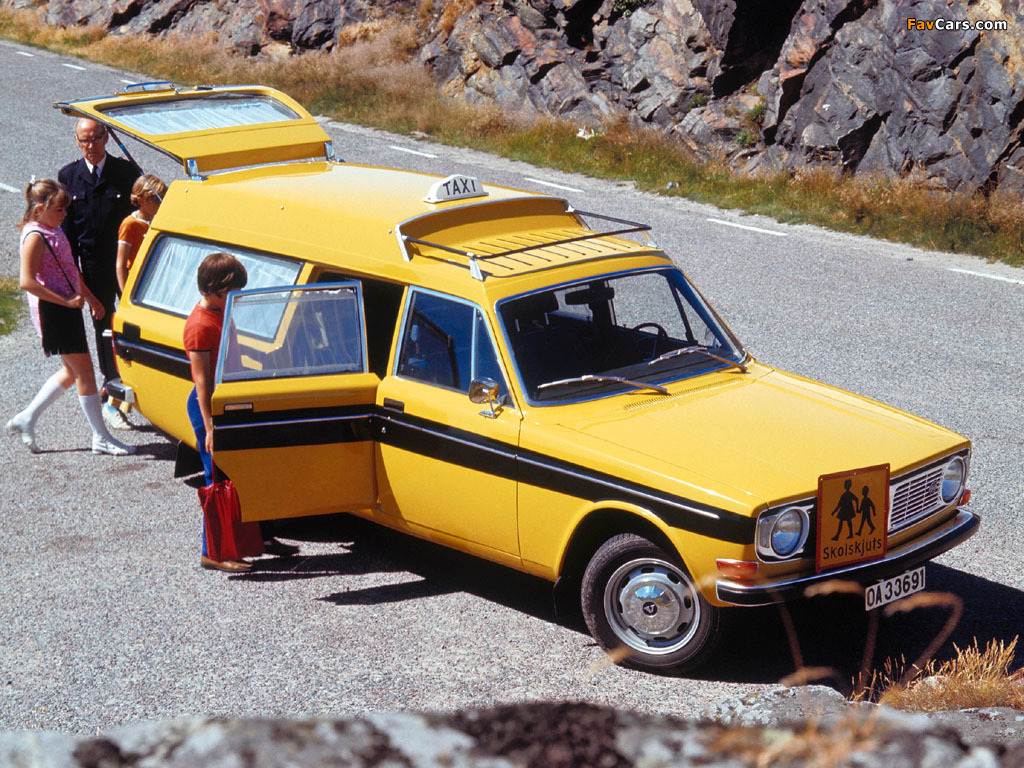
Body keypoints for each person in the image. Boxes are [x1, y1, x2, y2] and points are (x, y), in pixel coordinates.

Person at [185, 252, 299, 572]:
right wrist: (210, 427)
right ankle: (214, 551)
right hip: (210, 405)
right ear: (215, 289)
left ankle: (260, 538)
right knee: (217, 479)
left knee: (248, 472)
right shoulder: (199, 326)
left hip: (230, 399)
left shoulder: (221, 311)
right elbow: (203, 382)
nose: (236, 296)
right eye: (232, 290)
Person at [5, 179, 135, 457]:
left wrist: (91, 298)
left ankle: (27, 418)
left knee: (71, 371)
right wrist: (66, 301)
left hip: (66, 307)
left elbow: (69, 268)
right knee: (85, 373)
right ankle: (100, 437)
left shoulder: (51, 228)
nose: (65, 215)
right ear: (39, 209)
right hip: (54, 311)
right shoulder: (35, 236)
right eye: (59, 210)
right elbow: (27, 281)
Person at [58, 118, 138, 429]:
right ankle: (112, 389)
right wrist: (76, 279)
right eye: (84, 140)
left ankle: (139, 381)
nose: (90, 146)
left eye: (94, 138)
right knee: (103, 325)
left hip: (126, 262)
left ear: (105, 137)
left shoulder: (125, 172)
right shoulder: (69, 176)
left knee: (134, 322)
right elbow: (67, 233)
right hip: (92, 265)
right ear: (76, 141)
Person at [106, 174, 168, 430]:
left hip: (157, 288)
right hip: (138, 288)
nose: (160, 204)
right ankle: (113, 405)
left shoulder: (159, 220)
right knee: (132, 351)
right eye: (156, 200)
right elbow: (120, 264)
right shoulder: (130, 224)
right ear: (142, 201)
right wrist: (125, 297)